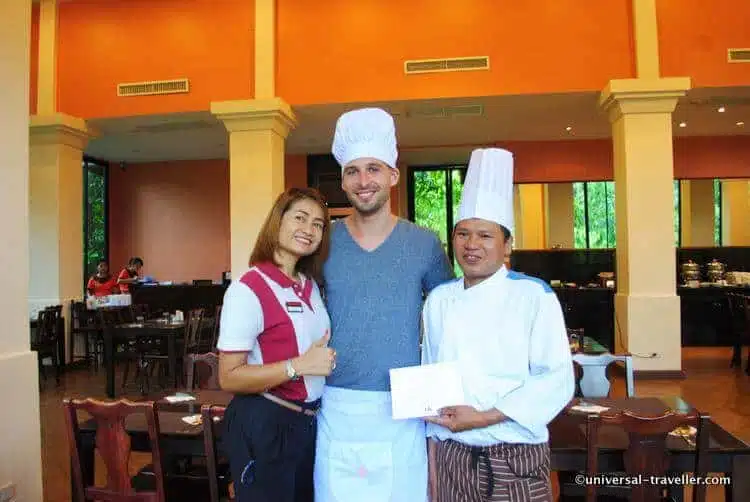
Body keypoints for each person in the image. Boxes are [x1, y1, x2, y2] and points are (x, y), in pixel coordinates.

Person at [314, 108, 454, 502]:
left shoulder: (424, 243)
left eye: (373, 169)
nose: (363, 181)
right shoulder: (323, 243)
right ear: (342, 180)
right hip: (335, 401)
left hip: (405, 405)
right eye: (353, 171)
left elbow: (447, 318)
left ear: (393, 175)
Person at [421, 148, 574, 502]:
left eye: (485, 235)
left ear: (507, 244)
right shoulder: (439, 300)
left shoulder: (533, 296)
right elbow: (431, 378)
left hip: (514, 455)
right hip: (450, 457)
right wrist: (430, 460)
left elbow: (556, 379)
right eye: (462, 234)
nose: (471, 245)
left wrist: (484, 417)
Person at [216, 187, 335, 502]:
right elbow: (229, 377)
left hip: (307, 424)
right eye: (300, 218)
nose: (308, 230)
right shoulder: (248, 289)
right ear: (277, 222)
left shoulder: (309, 286)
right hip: (266, 424)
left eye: (318, 224)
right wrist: (298, 366)